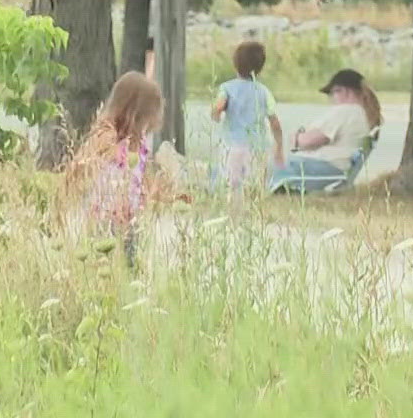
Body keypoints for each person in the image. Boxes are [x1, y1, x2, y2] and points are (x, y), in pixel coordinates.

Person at [61, 71, 186, 268]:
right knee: (101, 264)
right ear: (135, 113)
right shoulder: (106, 137)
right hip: (102, 217)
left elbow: (144, 182)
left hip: (129, 219)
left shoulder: (141, 145)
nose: (152, 123)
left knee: (128, 265)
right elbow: (80, 166)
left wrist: (170, 195)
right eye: (148, 117)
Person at [268, 69, 381, 193]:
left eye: (332, 94)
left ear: (344, 91)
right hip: (335, 171)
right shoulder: (361, 114)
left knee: (265, 166)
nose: (331, 99)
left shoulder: (345, 111)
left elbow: (309, 142)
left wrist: (297, 137)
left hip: (323, 169)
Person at [209, 40, 284, 193]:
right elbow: (274, 122)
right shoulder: (264, 91)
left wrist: (216, 114)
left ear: (235, 64)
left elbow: (218, 107)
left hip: (232, 145)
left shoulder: (227, 88)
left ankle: (233, 208)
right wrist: (279, 147)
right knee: (255, 185)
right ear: (260, 68)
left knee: (231, 184)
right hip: (257, 146)